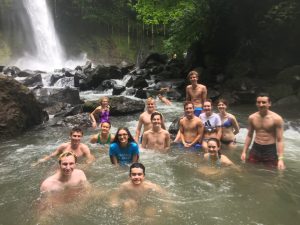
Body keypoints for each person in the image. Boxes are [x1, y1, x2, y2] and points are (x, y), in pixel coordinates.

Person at [241, 93, 285, 170]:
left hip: (270, 149)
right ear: (256, 103)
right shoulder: (252, 117)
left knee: (271, 172)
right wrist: (244, 152)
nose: (261, 105)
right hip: (256, 148)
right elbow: (249, 135)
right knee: (250, 169)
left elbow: (280, 139)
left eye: (264, 102)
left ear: (269, 104)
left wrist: (281, 159)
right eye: (258, 102)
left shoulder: (277, 119)